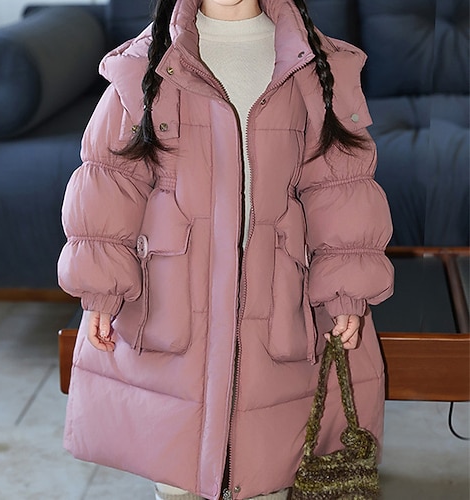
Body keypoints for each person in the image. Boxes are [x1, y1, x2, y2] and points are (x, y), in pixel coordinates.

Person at [58, 0, 394, 499]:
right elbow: (110, 180)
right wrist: (101, 286)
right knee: (177, 478)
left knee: (267, 471)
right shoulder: (147, 64)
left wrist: (346, 288)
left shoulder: (314, 64)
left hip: (277, 312)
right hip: (174, 313)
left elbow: (340, 185)